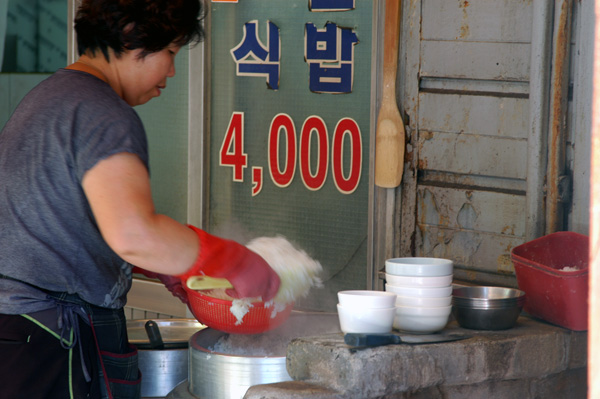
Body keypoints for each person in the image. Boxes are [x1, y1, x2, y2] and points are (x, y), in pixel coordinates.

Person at [0, 0, 280, 398]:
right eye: (171, 52)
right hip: (53, 342)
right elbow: (133, 233)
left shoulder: (51, 99)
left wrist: (169, 266)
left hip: (21, 336)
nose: (172, 70)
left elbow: (66, 220)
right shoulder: (104, 113)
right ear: (135, 40)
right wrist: (233, 260)